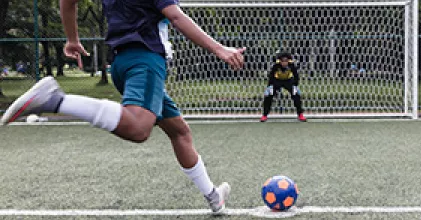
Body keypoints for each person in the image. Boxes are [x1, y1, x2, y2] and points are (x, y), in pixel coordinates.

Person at [1, 0, 245, 214]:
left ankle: (214, 197)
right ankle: (55, 100)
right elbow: (176, 16)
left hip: (121, 64)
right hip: (146, 61)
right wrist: (219, 49)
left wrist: (73, 39)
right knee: (139, 128)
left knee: (179, 131)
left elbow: (68, 0)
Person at [260, 52, 306, 122]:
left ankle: (300, 114)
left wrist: (295, 85)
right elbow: (271, 75)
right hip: (277, 80)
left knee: (296, 95)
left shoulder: (291, 65)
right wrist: (269, 86)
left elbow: (296, 75)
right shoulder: (276, 65)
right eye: (282, 61)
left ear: (288, 61)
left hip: (288, 80)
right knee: (269, 96)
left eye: (286, 61)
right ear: (280, 61)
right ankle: (264, 115)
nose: (284, 63)